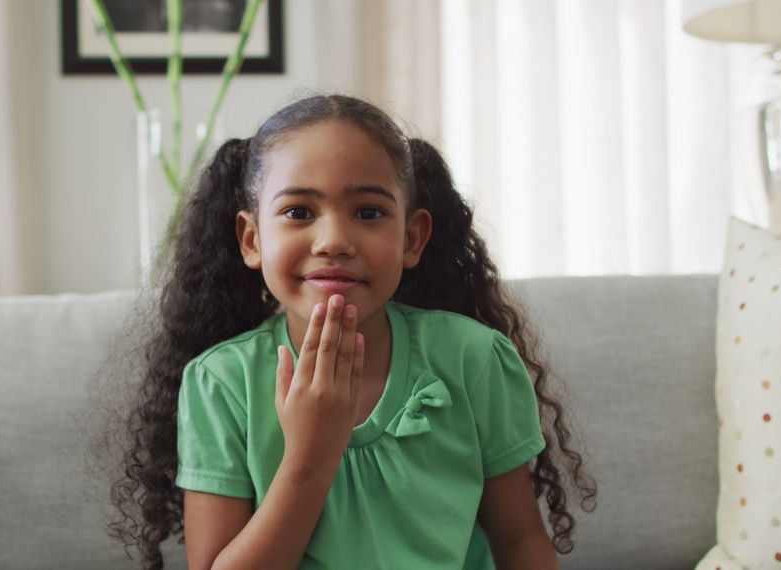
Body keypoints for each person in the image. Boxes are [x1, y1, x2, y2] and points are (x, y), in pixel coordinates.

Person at [103, 94, 597, 569]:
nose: (334, 241)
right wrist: (310, 453)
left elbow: (520, 540)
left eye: (368, 212)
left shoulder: (475, 358)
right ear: (252, 239)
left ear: (412, 237)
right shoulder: (220, 383)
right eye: (298, 212)